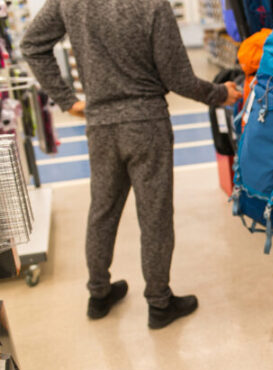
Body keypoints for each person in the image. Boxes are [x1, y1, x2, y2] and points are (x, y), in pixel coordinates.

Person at [21, 0, 242, 329]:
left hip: (101, 125)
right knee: (154, 215)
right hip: (147, 123)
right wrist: (218, 94)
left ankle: (98, 295)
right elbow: (178, 77)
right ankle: (159, 302)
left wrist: (68, 100)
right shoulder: (152, 4)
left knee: (102, 211)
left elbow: (31, 44)